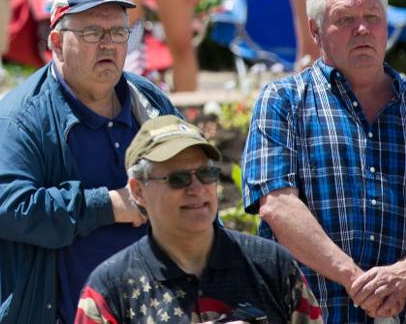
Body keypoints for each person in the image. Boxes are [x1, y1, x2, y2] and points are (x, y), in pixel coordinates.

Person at [0, 0, 178, 324]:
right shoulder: (17, 120)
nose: (109, 45)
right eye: (92, 33)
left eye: (118, 32)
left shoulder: (149, 101)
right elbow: (4, 206)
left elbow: (193, 180)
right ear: (56, 41)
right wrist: (108, 205)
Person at [242, 0, 406, 323]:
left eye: (372, 18)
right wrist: (356, 281)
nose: (361, 29)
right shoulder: (283, 101)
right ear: (316, 31)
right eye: (345, 19)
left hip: (404, 314)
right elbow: (277, 205)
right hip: (308, 314)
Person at [76, 116, 324, 324]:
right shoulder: (111, 288)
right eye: (178, 178)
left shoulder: (273, 266)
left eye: (206, 174)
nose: (197, 189)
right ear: (139, 191)